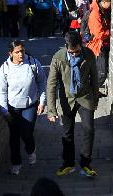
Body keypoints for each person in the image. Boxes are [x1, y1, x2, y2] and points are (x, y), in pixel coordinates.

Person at [47, 30, 98, 179]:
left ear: (80, 46)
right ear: (66, 47)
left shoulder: (88, 54)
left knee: (89, 129)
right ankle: (68, 163)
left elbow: (94, 78)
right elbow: (51, 84)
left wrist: (95, 100)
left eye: (77, 52)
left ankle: (86, 163)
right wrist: (52, 110)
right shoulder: (58, 58)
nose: (75, 55)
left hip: (85, 97)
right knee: (67, 133)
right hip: (67, 99)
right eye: (72, 52)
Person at [0, 40, 46, 175]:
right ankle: (16, 163)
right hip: (13, 108)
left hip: (29, 105)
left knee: (27, 133)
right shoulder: (5, 68)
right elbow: (2, 91)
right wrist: (4, 110)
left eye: (22, 51)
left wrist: (42, 102)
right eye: (17, 52)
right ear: (10, 53)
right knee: (14, 137)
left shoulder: (33, 63)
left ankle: (31, 149)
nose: (20, 54)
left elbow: (42, 82)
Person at [86, 0, 111, 90]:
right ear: (105, 2)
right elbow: (99, 34)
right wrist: (111, 32)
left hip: (104, 44)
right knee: (101, 73)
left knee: (100, 72)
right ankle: (90, 92)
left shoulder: (103, 10)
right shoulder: (95, 14)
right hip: (98, 46)